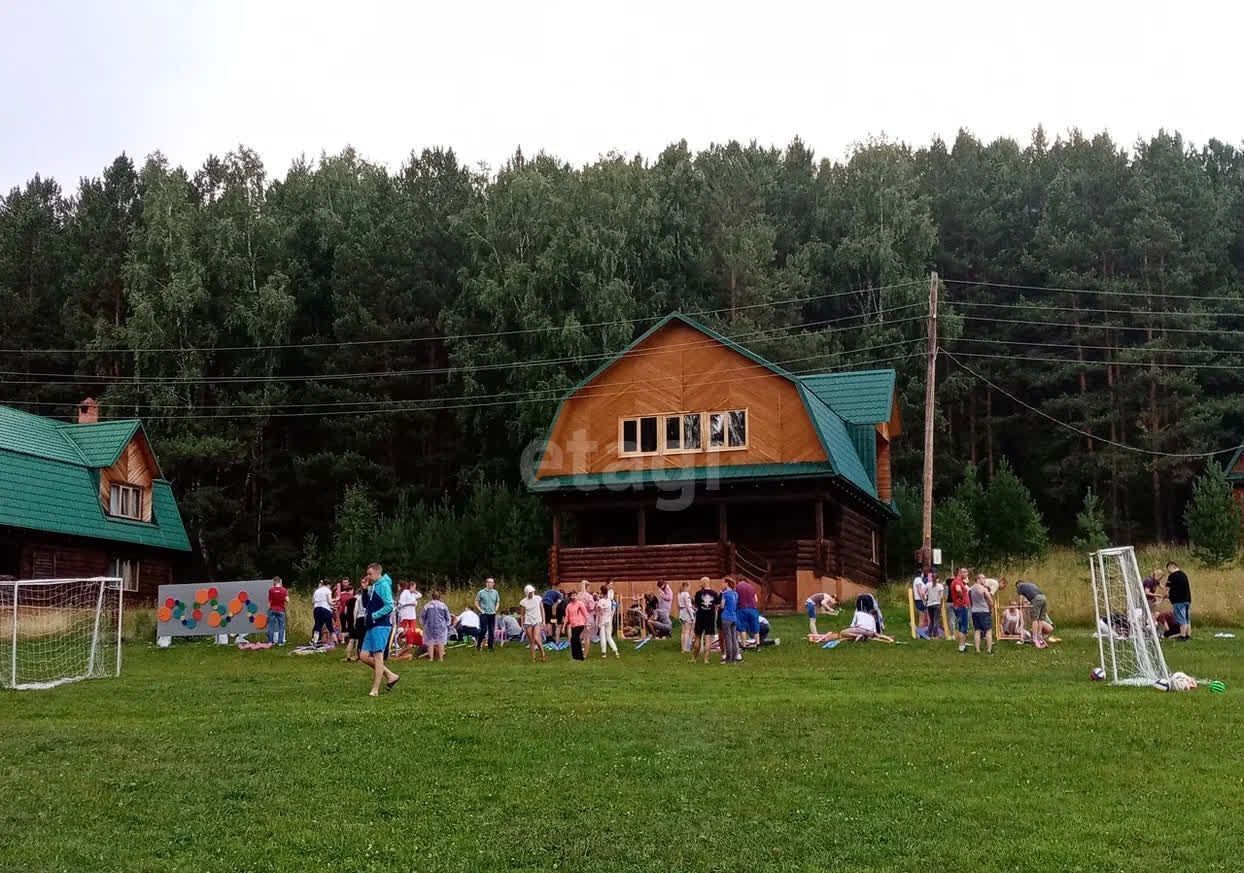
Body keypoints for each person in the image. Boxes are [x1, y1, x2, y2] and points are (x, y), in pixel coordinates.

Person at [359, 563, 399, 697]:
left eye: (370, 574)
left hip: (381, 626)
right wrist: (364, 590)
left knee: (378, 657)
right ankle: (390, 675)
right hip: (371, 625)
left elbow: (389, 606)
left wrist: (374, 616)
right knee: (363, 656)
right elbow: (366, 604)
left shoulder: (384, 586)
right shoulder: (374, 586)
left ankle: (375, 690)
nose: (368, 577)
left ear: (377, 572)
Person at [1015, 580, 1052, 648]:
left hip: (1036, 599)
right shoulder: (1031, 584)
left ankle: (1035, 638)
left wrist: (1019, 605)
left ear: (1017, 585)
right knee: (1040, 619)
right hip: (1043, 597)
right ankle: (1039, 635)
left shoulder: (1020, 587)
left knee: (1034, 619)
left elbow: (1021, 601)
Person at [692, 577, 719, 664]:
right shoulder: (714, 593)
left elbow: (696, 605)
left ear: (703, 583)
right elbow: (717, 605)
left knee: (697, 637)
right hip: (710, 617)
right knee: (708, 639)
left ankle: (694, 658)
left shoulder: (698, 593)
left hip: (700, 617)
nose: (700, 584)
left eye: (701, 582)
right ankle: (706, 660)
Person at [517, 584, 547, 662]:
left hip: (537, 620)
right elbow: (522, 615)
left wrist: (543, 621)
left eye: (532, 592)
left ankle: (543, 654)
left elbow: (542, 610)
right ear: (527, 593)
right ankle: (533, 658)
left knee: (537, 638)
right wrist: (522, 625)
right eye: (530, 592)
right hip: (528, 622)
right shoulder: (523, 602)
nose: (531, 593)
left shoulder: (538, 598)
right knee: (531, 641)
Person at [420, 589, 452, 661]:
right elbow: (447, 617)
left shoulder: (427, 605)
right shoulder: (443, 606)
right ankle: (441, 658)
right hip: (441, 626)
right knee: (441, 642)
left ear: (432, 597)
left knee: (430, 642)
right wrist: (447, 625)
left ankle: (431, 658)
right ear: (439, 597)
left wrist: (424, 624)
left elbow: (422, 616)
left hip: (429, 626)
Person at [1164, 561, 1192, 641]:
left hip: (1178, 601)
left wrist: (1163, 598)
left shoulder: (1172, 576)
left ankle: (1182, 636)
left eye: (1168, 569)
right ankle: (1188, 635)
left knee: (1181, 619)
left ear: (1171, 566)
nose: (1168, 571)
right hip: (1187, 600)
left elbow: (1167, 589)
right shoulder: (1184, 575)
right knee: (1187, 619)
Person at [969, 574, 995, 655]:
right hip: (984, 611)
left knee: (977, 630)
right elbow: (990, 601)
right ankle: (989, 650)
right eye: (983, 578)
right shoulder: (983, 589)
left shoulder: (971, 589)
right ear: (978, 579)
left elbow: (970, 600)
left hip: (974, 611)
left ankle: (977, 650)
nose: (984, 580)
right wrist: (991, 607)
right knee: (988, 630)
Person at [475, 577, 500, 651]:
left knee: (491, 631)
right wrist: (480, 610)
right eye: (490, 582)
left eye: (493, 582)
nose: (492, 584)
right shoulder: (481, 592)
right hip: (484, 613)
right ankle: (479, 644)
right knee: (483, 630)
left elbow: (498, 601)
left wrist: (496, 609)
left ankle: (490, 647)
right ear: (487, 583)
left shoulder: (495, 592)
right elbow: (476, 602)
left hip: (492, 613)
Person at [719, 577, 741, 664]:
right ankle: (735, 657)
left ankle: (729, 658)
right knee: (734, 638)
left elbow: (722, 605)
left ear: (726, 584)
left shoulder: (725, 594)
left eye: (723, 583)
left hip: (726, 617)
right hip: (734, 617)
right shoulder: (735, 594)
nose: (721, 585)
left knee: (727, 638)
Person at [735, 576, 760, 650]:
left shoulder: (737, 587)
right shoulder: (752, 587)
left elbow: (735, 599)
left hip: (741, 609)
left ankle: (744, 646)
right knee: (756, 628)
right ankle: (757, 645)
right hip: (752, 609)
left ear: (739, 581)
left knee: (742, 629)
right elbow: (756, 599)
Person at [949, 568, 971, 652]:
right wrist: (962, 599)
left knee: (962, 625)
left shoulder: (960, 581)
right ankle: (961, 647)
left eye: (967, 572)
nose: (967, 574)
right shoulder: (957, 581)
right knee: (963, 627)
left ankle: (963, 645)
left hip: (959, 606)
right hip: (961, 606)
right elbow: (958, 589)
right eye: (965, 572)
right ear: (959, 573)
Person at [595, 584, 620, 659]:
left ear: (601, 592)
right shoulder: (609, 600)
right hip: (609, 620)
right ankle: (616, 651)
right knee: (609, 637)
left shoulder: (601, 601)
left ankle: (604, 653)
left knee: (602, 637)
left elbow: (600, 612)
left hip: (602, 620)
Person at [565, 590, 589, 661]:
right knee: (573, 640)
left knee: (575, 638)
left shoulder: (580, 603)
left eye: (575, 595)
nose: (574, 597)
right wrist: (564, 626)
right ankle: (575, 656)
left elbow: (585, 613)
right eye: (573, 596)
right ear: (570, 597)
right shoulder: (568, 606)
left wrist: (587, 623)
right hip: (573, 625)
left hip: (580, 623)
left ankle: (580, 656)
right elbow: (567, 616)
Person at [397, 582, 421, 651]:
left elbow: (420, 595)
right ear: (410, 586)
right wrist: (410, 603)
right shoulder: (405, 592)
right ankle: (398, 642)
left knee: (412, 630)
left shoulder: (413, 594)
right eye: (414, 587)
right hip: (405, 615)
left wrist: (414, 591)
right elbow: (401, 603)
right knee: (402, 630)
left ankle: (411, 643)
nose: (415, 588)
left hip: (412, 615)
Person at [312, 578, 335, 646]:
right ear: (328, 585)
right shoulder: (328, 591)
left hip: (316, 608)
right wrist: (335, 602)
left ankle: (315, 641)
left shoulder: (317, 590)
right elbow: (330, 602)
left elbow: (313, 601)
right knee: (329, 626)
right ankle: (335, 641)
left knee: (317, 625)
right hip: (325, 609)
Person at [266, 576, 288, 646]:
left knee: (271, 626)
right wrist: (282, 599)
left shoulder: (271, 590)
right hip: (281, 610)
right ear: (279, 582)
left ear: (275, 581)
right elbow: (287, 600)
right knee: (281, 626)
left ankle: (270, 641)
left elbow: (269, 602)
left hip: (272, 609)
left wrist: (268, 611)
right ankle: (280, 642)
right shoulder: (284, 590)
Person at [924, 573, 945, 639]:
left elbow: (923, 592)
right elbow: (941, 597)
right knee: (936, 620)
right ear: (938, 579)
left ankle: (929, 633)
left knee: (931, 620)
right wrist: (941, 605)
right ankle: (935, 634)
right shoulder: (940, 586)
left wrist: (925, 600)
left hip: (929, 604)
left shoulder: (927, 584)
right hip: (937, 604)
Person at [334, 576, 354, 641]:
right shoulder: (339, 589)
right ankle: (345, 638)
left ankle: (345, 639)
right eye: (344, 582)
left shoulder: (350, 591)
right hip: (342, 611)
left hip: (348, 611)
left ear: (348, 583)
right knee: (344, 625)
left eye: (346, 582)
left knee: (348, 625)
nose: (345, 584)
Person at [677, 581, 695, 652]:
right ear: (685, 587)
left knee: (683, 632)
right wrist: (692, 616)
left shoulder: (679, 594)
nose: (689, 588)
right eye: (689, 586)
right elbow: (688, 606)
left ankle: (683, 648)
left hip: (681, 612)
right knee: (687, 631)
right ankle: (686, 648)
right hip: (687, 613)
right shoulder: (686, 594)